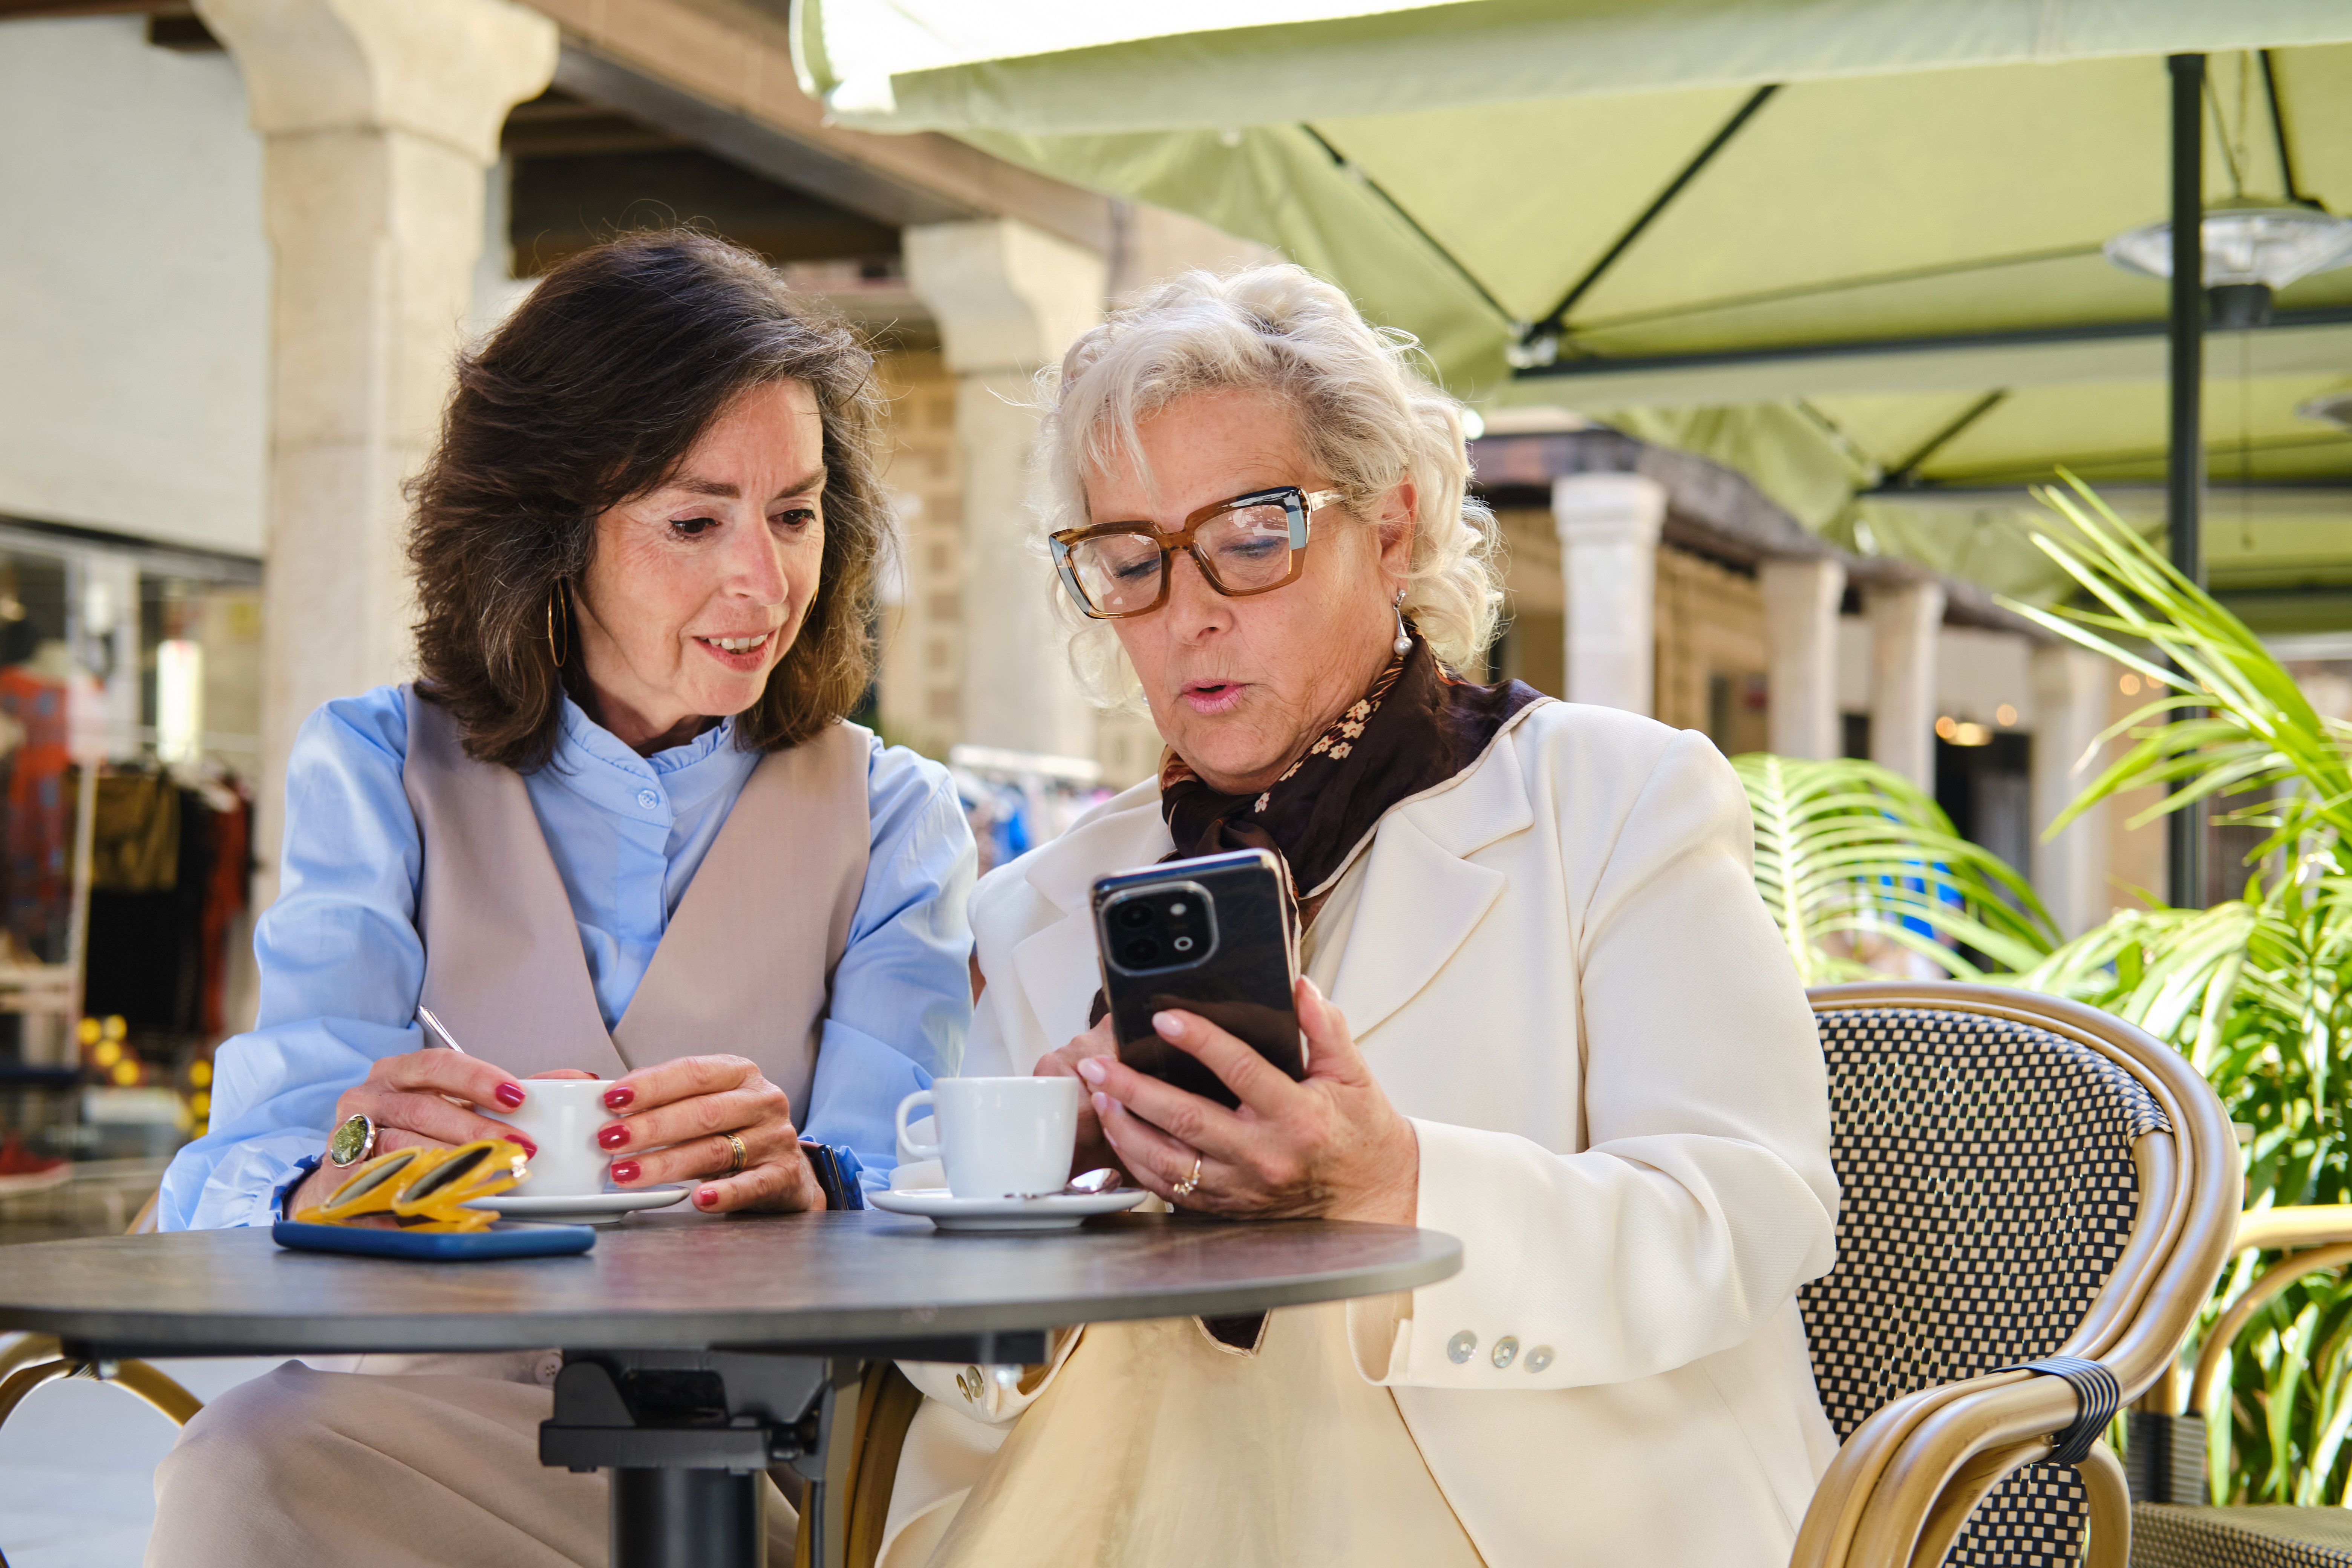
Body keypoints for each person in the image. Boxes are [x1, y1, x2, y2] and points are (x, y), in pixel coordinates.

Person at [877, 265, 1839, 1568]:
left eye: (1255, 531)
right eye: (1130, 559)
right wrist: (1050, 1211)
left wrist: (1392, 1183)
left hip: (1527, 1518)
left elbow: (1748, 1216)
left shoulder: (1617, 799)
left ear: (1391, 529)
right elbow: (958, 1372)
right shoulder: (1042, 901)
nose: (1193, 609)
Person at [145, 231, 975, 1567]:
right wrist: (343, 1168)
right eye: (695, 521)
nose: (764, 581)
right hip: (427, 1418)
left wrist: (817, 1181)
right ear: (550, 534)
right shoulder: (378, 768)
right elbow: (226, 1197)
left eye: (797, 513)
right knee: (252, 1456)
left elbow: (927, 1203)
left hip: (755, 1458)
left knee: (246, 1465)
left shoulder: (896, 819)